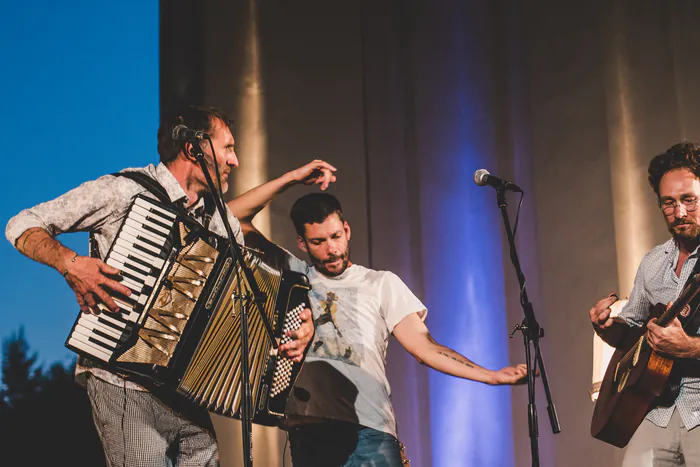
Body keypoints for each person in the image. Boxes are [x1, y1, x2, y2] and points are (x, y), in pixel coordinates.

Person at [5, 105, 332, 467]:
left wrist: (300, 321)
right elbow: (22, 224)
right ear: (193, 149)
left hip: (187, 391)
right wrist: (72, 265)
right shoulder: (125, 192)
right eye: (227, 148)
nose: (235, 161)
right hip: (122, 378)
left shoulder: (220, 223)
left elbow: (255, 298)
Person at [227, 179, 529, 466]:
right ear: (302, 243)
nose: (331, 249)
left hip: (369, 432)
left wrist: (490, 376)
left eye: (336, 236)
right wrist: (294, 177)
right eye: (318, 241)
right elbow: (232, 216)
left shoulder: (381, 283)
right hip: (309, 430)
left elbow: (424, 348)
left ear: (347, 230)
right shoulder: (293, 275)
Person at [590, 142, 700, 466]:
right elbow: (632, 333)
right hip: (655, 411)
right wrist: (607, 326)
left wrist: (691, 348)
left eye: (689, 200)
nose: (679, 212)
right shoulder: (652, 263)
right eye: (669, 203)